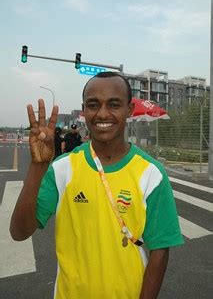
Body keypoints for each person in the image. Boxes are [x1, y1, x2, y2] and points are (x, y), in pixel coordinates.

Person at [10, 71, 183, 299]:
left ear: (129, 110)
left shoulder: (152, 174)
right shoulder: (63, 168)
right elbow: (19, 232)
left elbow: (160, 250)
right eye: (93, 105)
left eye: (114, 104)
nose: (102, 113)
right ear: (84, 111)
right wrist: (38, 166)